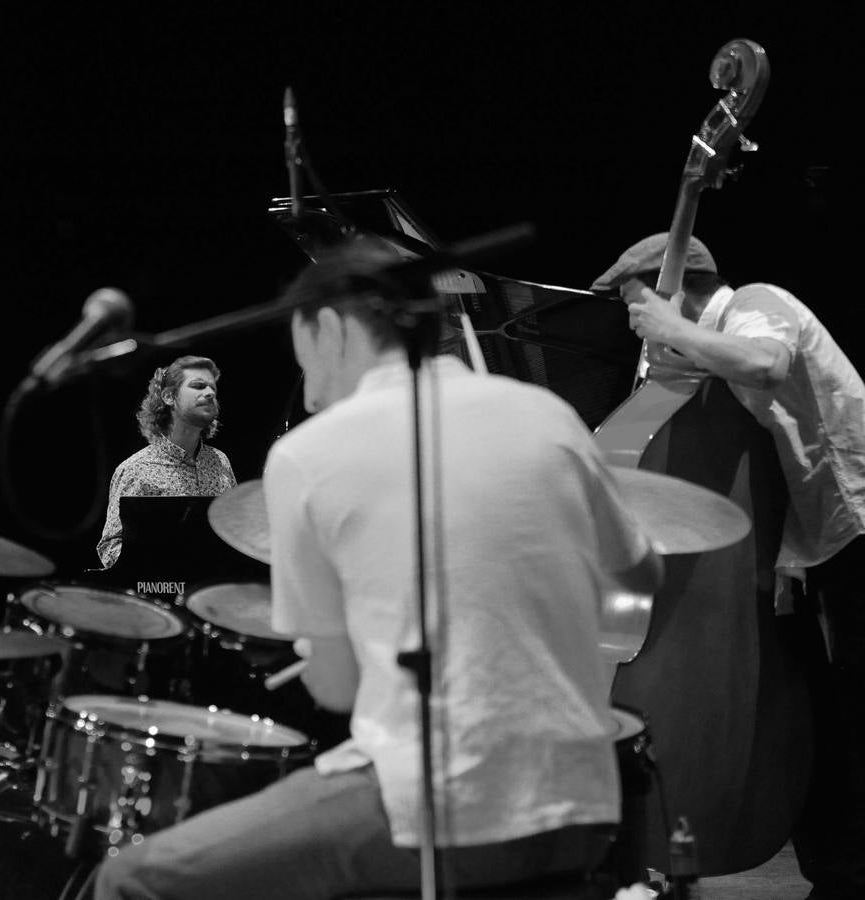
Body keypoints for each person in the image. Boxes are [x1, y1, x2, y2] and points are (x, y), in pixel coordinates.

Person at [94, 238, 664, 899]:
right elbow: (641, 576)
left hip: (440, 807)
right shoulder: (550, 417)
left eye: (302, 347)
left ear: (331, 326)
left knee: (133, 877)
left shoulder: (310, 453)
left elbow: (336, 689)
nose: (305, 384)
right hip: (587, 800)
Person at [592, 232, 865, 900]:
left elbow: (767, 365)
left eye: (636, 311)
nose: (638, 331)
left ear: (671, 290)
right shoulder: (707, 359)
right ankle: (840, 873)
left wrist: (669, 328)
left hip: (859, 520)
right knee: (836, 714)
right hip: (822, 538)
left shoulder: (756, 303)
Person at [95, 355, 237, 568]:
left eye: (213, 389)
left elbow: (235, 532)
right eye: (198, 386)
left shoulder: (220, 462)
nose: (209, 393)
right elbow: (111, 548)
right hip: (162, 591)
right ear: (169, 397)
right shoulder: (136, 469)